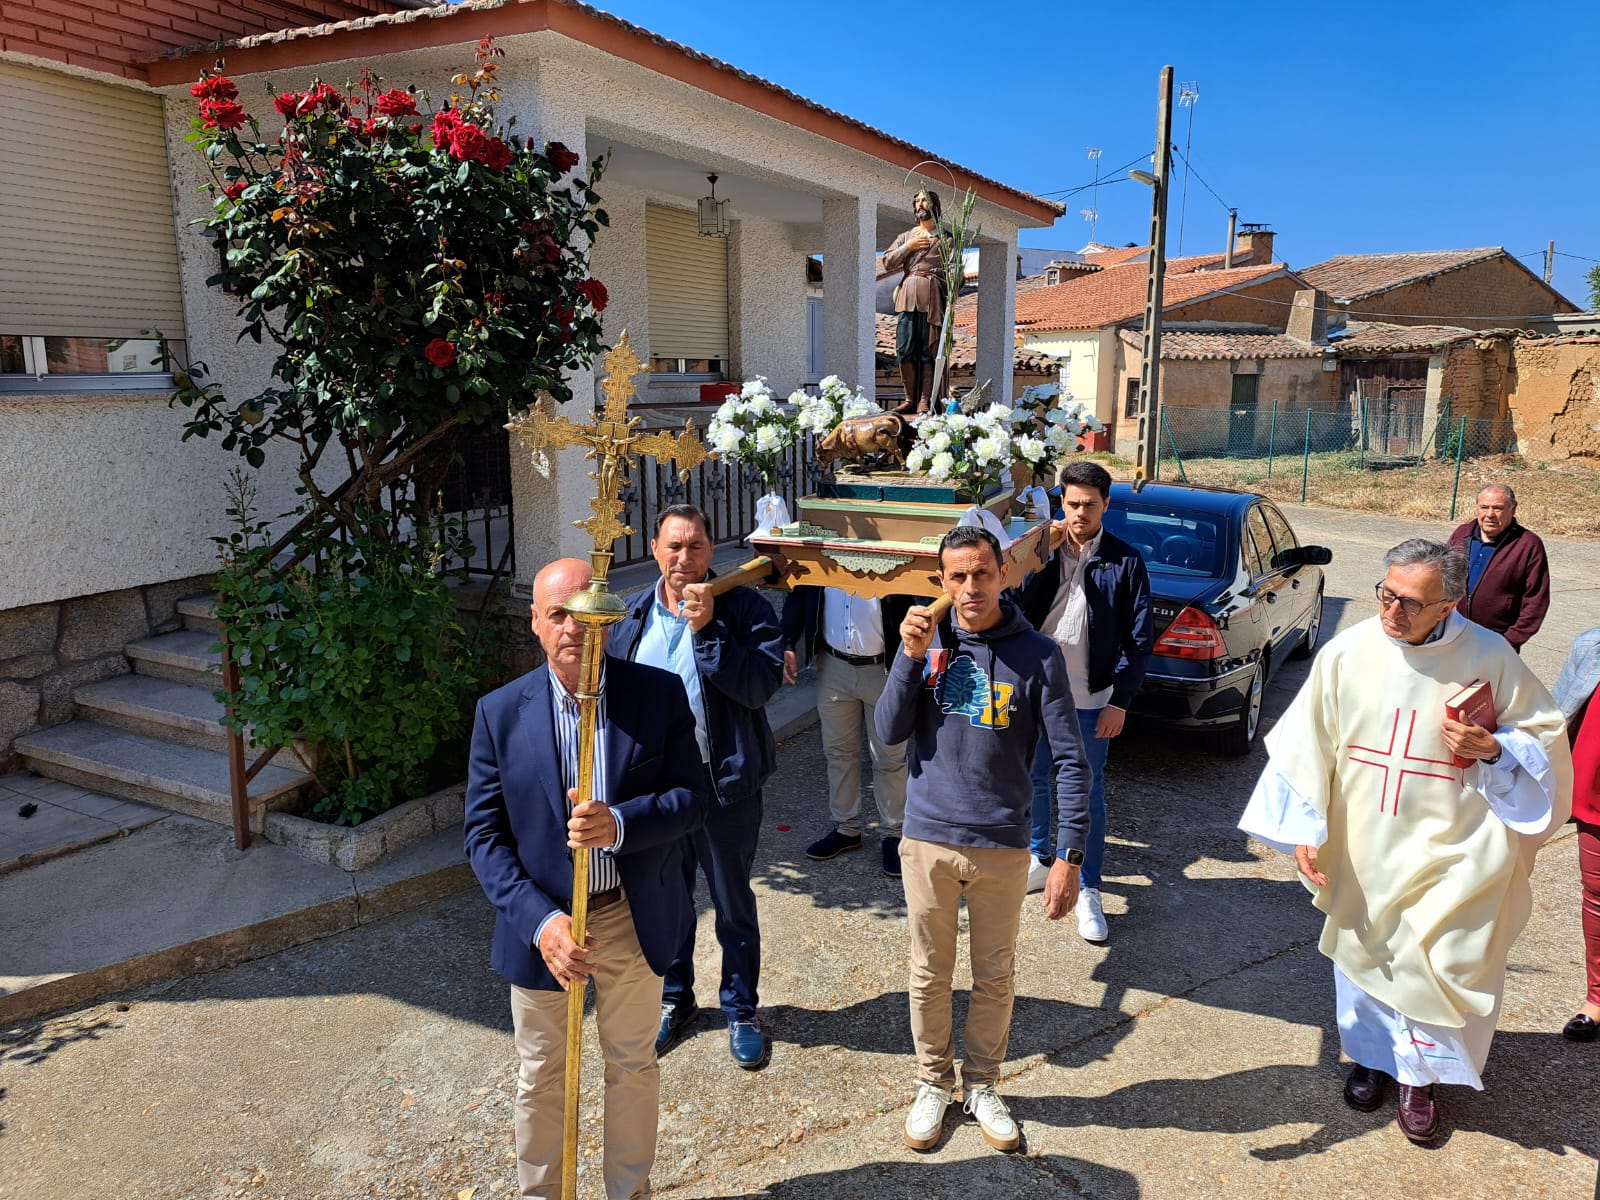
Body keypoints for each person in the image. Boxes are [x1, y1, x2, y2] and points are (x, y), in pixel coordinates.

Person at [1239, 538, 1571, 1144]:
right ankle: (1370, 1060)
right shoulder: (1350, 652)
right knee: (1368, 956)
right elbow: (1306, 742)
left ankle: (1420, 1078)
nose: (1392, 611)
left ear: (1449, 604)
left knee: (1439, 960)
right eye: (1386, 594)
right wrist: (1305, 830)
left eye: (1411, 603)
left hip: (1456, 847)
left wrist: (1494, 748)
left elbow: (1546, 737)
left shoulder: (1489, 655)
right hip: (1365, 842)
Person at [464, 558, 705, 1200]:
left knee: (631, 1065)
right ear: (536, 624)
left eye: (587, 614)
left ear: (610, 620)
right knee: (542, 1073)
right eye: (558, 614)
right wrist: (541, 924)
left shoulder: (655, 694)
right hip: (546, 924)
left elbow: (693, 797)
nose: (574, 628)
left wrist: (621, 824)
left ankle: (629, 1192)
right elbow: (483, 838)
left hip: (630, 911)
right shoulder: (499, 713)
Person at [876, 525, 1091, 1154]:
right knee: (928, 973)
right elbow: (889, 732)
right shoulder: (927, 643)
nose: (971, 587)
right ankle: (931, 1083)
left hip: (1001, 841)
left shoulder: (1038, 655)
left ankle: (983, 1083)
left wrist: (1068, 856)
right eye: (957, 576)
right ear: (942, 581)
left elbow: (1071, 763)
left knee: (994, 973)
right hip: (929, 838)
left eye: (982, 573)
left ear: (1004, 574)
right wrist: (907, 658)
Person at [610, 504, 785, 1069]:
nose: (684, 558)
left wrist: (707, 629)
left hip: (723, 784)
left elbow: (758, 689)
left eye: (695, 547)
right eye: (673, 547)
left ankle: (740, 1009)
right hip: (659, 795)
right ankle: (674, 998)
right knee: (667, 900)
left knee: (732, 903)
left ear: (713, 551)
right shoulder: (633, 613)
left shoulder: (744, 607)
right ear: (656, 550)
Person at [1017, 460, 1153, 941]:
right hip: (1035, 693)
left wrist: (1121, 701)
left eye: (1089, 505)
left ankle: (1088, 886)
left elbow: (1139, 641)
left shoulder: (1126, 561)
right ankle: (1038, 858)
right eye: (1071, 503)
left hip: (1093, 698)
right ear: (1061, 502)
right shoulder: (1041, 550)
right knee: (1033, 778)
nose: (1078, 513)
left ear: (1106, 505)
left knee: (1086, 794)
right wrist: (1040, 551)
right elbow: (1013, 606)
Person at [780, 586, 916, 876]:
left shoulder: (887, 551)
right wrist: (787, 641)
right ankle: (846, 829)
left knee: (889, 758)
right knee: (838, 753)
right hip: (833, 665)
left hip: (884, 668)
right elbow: (800, 591)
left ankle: (893, 834)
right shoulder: (826, 548)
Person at [1553, 627, 1600, 1042]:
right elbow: (1552, 721)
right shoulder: (1591, 645)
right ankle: (1597, 1000)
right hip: (1595, 797)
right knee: (1597, 900)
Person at [1447, 483, 1550, 652]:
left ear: (1513, 509)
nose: (1490, 514)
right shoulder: (1462, 534)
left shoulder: (1528, 545)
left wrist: (1509, 641)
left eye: (1498, 508)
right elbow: (1441, 578)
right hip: (1452, 635)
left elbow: (1536, 600)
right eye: (1484, 507)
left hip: (1496, 642)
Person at [877, 188, 948, 416]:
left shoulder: (946, 238)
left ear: (934, 205)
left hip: (932, 296)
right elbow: (888, 261)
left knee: (928, 348)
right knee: (905, 348)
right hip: (907, 294)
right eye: (917, 201)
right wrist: (909, 247)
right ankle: (909, 398)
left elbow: (955, 268)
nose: (920, 205)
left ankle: (925, 400)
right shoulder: (906, 237)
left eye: (924, 201)